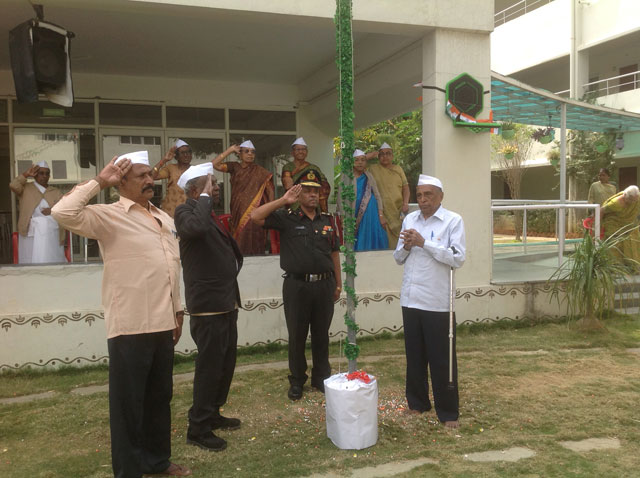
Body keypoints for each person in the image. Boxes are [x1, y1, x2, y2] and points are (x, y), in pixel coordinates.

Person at [51, 151, 191, 478]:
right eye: (140, 176)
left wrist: (178, 311)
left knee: (159, 399)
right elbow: (62, 211)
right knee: (128, 406)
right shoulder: (107, 216)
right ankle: (129, 470)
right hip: (130, 325)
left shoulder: (164, 218)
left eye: (150, 176)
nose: (149, 181)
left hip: (164, 324)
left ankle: (156, 461)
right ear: (121, 182)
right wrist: (100, 180)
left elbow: (172, 269)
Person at [251, 170, 342, 401]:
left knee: (321, 334)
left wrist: (338, 285)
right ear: (299, 193)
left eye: (316, 190)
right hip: (297, 286)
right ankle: (297, 381)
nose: (313, 195)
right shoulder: (286, 217)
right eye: (308, 190)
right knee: (297, 336)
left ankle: (321, 377)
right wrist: (283, 200)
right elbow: (255, 217)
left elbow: (334, 255)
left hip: (324, 285)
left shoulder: (328, 221)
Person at [174, 163, 243, 452]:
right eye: (210, 184)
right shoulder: (185, 212)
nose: (215, 188)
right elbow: (196, 229)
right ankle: (198, 427)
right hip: (207, 305)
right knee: (210, 365)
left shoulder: (208, 214)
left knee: (225, 363)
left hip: (225, 301)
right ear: (195, 189)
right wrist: (202, 198)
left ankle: (213, 413)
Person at [393, 174, 465, 429]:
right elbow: (398, 258)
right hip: (411, 299)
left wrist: (425, 243)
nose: (422, 200)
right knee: (414, 357)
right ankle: (417, 403)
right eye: (419, 195)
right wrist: (408, 246)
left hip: (437, 302)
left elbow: (457, 258)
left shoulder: (452, 221)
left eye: (428, 195)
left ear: (440, 196)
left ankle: (448, 413)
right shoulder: (410, 219)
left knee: (442, 359)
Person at [213, 140, 275, 254]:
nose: (250, 154)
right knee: (240, 236)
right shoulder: (234, 167)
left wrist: (269, 210)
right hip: (238, 210)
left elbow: (270, 191)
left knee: (255, 235)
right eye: (246, 151)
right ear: (240, 154)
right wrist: (230, 150)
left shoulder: (261, 172)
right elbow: (214, 164)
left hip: (256, 211)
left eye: (252, 152)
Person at [9, 161, 66, 264]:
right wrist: (26, 174)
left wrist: (52, 210)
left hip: (50, 233)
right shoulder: (26, 188)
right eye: (41, 173)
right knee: (29, 260)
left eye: (47, 173)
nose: (44, 176)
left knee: (51, 260)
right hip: (29, 231)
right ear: (35, 175)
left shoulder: (55, 191)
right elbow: (13, 185)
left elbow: (64, 208)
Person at [366, 142, 410, 249]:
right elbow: (356, 163)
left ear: (392, 156)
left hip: (397, 211)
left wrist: (405, 203)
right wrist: (370, 155)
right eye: (382, 154)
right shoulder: (373, 169)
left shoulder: (398, 169)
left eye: (388, 154)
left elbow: (406, 188)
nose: (385, 156)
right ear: (378, 156)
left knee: (399, 241)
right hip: (380, 212)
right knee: (383, 240)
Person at [281, 137, 331, 212]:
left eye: (303, 149)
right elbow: (288, 185)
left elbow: (324, 185)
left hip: (312, 204)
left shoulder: (314, 168)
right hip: (295, 203)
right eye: (298, 149)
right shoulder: (288, 167)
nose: (301, 152)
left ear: (307, 152)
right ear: (292, 153)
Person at [352, 149, 388, 251]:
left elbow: (377, 195)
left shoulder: (368, 176)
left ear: (366, 163)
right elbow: (340, 199)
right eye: (357, 160)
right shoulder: (347, 177)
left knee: (372, 238)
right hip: (354, 214)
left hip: (371, 214)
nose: (360, 162)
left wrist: (381, 215)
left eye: (363, 160)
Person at [600, 185, 640, 266]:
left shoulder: (637, 199)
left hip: (629, 224)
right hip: (614, 225)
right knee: (614, 245)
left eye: (635, 201)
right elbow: (601, 211)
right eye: (631, 200)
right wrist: (598, 226)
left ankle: (632, 266)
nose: (633, 203)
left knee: (632, 240)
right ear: (625, 196)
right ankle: (616, 267)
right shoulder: (616, 203)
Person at [151, 139, 193, 217]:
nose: (186, 155)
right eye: (183, 153)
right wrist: (164, 160)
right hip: (170, 212)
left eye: (188, 152)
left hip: (188, 213)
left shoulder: (196, 170)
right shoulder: (170, 168)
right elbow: (152, 176)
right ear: (176, 156)